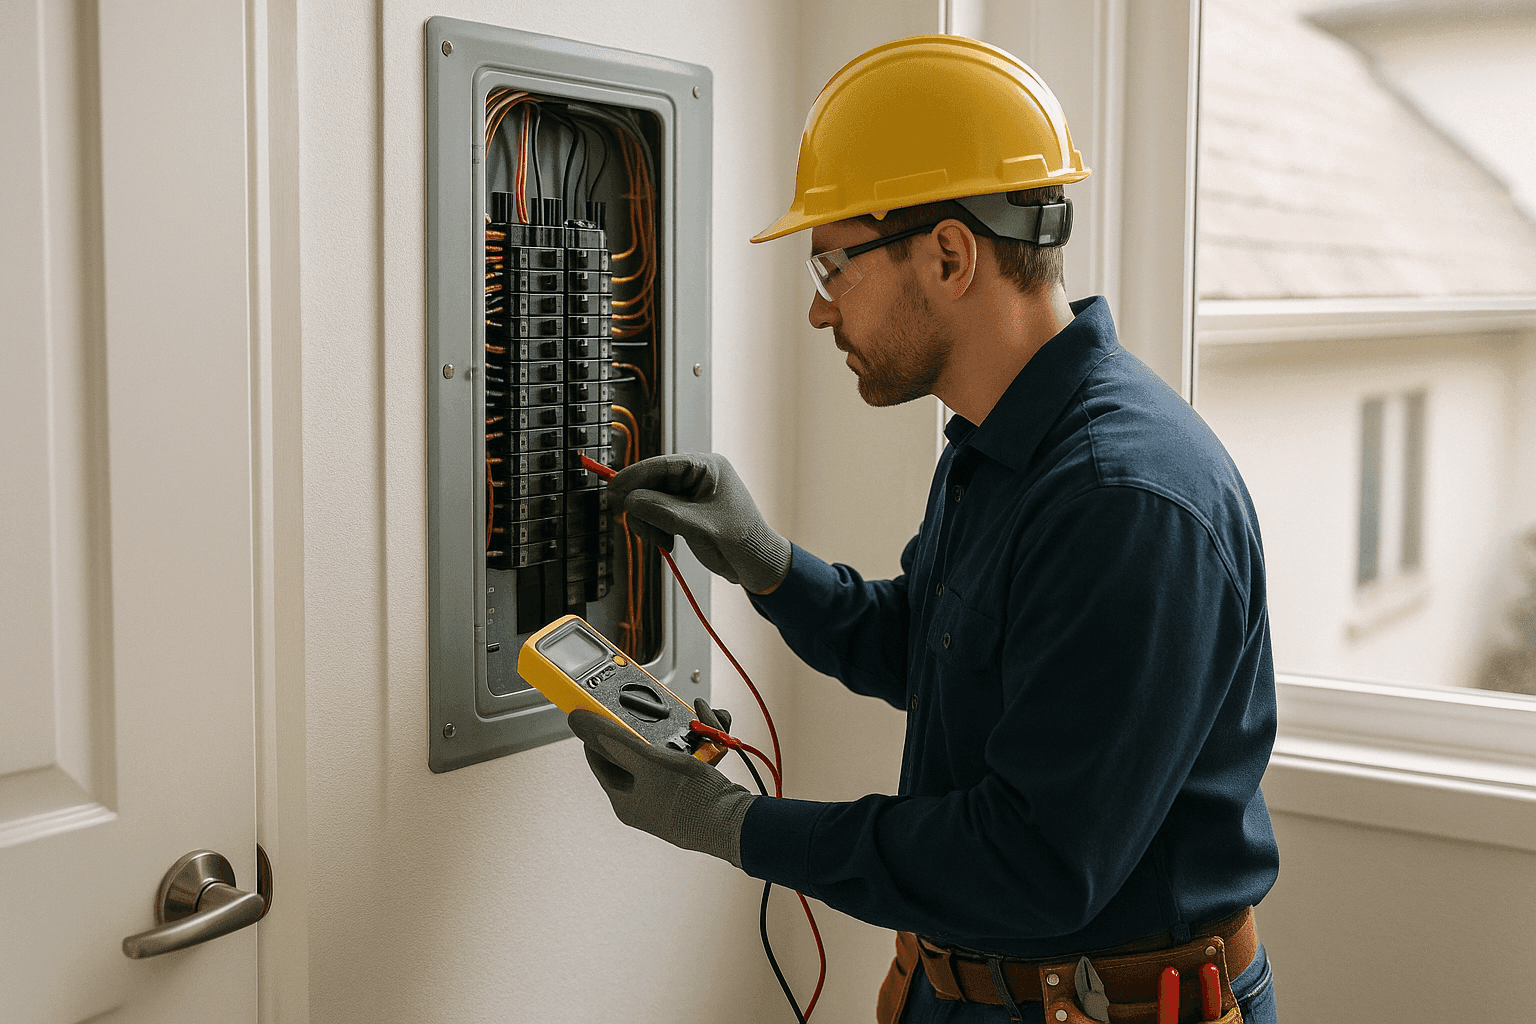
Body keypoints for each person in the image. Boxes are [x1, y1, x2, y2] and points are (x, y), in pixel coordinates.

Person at [567, 35, 1280, 1024]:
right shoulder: (998, 440)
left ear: (949, 255)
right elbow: (937, 652)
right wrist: (768, 564)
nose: (819, 311)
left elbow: (1032, 864)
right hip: (960, 989)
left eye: (834, 264)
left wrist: (732, 825)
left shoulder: (1123, 501)